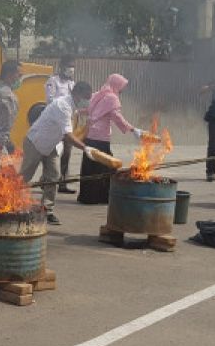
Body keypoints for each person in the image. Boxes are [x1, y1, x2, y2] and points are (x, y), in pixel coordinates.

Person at [22, 81, 91, 224]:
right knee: (25, 176)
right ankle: (7, 200)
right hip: (35, 142)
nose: (87, 102)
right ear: (77, 94)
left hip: (51, 145)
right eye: (86, 98)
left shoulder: (72, 105)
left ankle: (46, 210)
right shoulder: (63, 106)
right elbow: (67, 135)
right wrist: (85, 148)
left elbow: (77, 116)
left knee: (53, 176)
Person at [78, 73, 141, 205]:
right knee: (106, 166)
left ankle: (86, 196)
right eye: (122, 86)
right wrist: (132, 129)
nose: (122, 89)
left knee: (90, 166)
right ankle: (100, 197)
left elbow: (86, 109)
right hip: (101, 138)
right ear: (117, 85)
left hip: (90, 135)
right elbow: (117, 117)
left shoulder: (98, 94)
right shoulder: (112, 98)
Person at [45, 56, 77, 194]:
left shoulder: (72, 84)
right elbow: (50, 100)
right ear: (62, 67)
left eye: (73, 66)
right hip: (55, 123)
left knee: (67, 153)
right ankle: (45, 181)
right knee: (51, 152)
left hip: (68, 123)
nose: (71, 69)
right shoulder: (53, 81)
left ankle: (63, 183)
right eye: (69, 66)